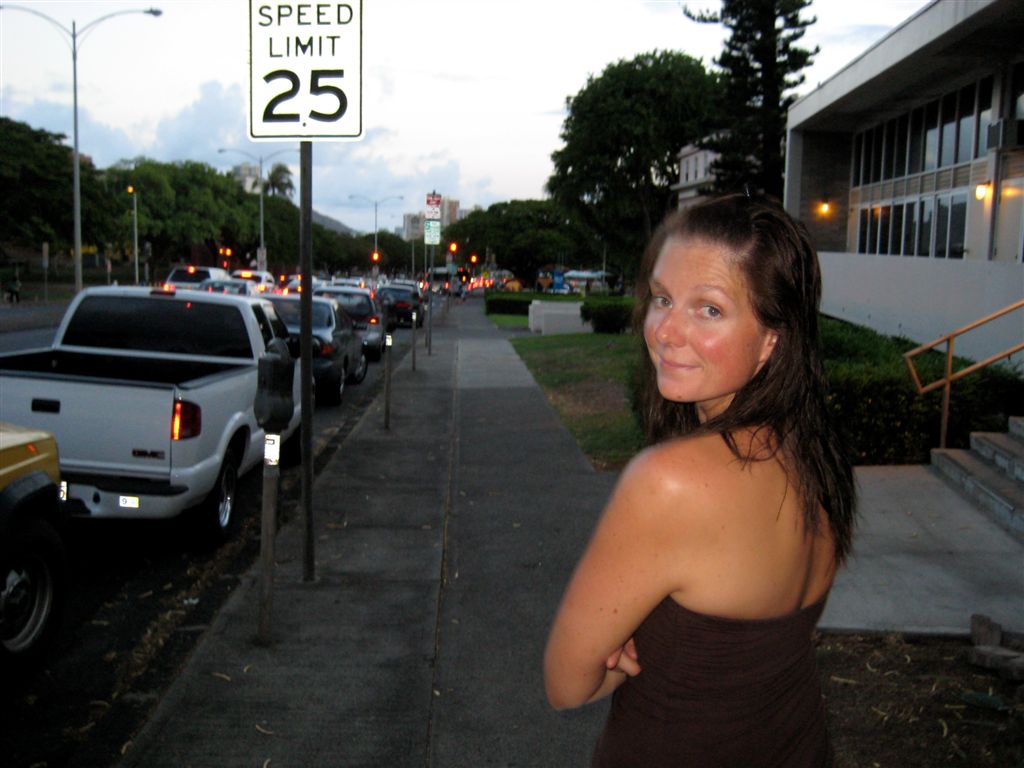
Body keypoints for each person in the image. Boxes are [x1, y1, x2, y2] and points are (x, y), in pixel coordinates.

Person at [543, 193, 856, 767]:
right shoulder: (815, 454)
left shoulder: (671, 482)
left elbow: (566, 684)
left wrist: (619, 663)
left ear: (772, 339)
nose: (665, 330)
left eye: (709, 309)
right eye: (662, 298)